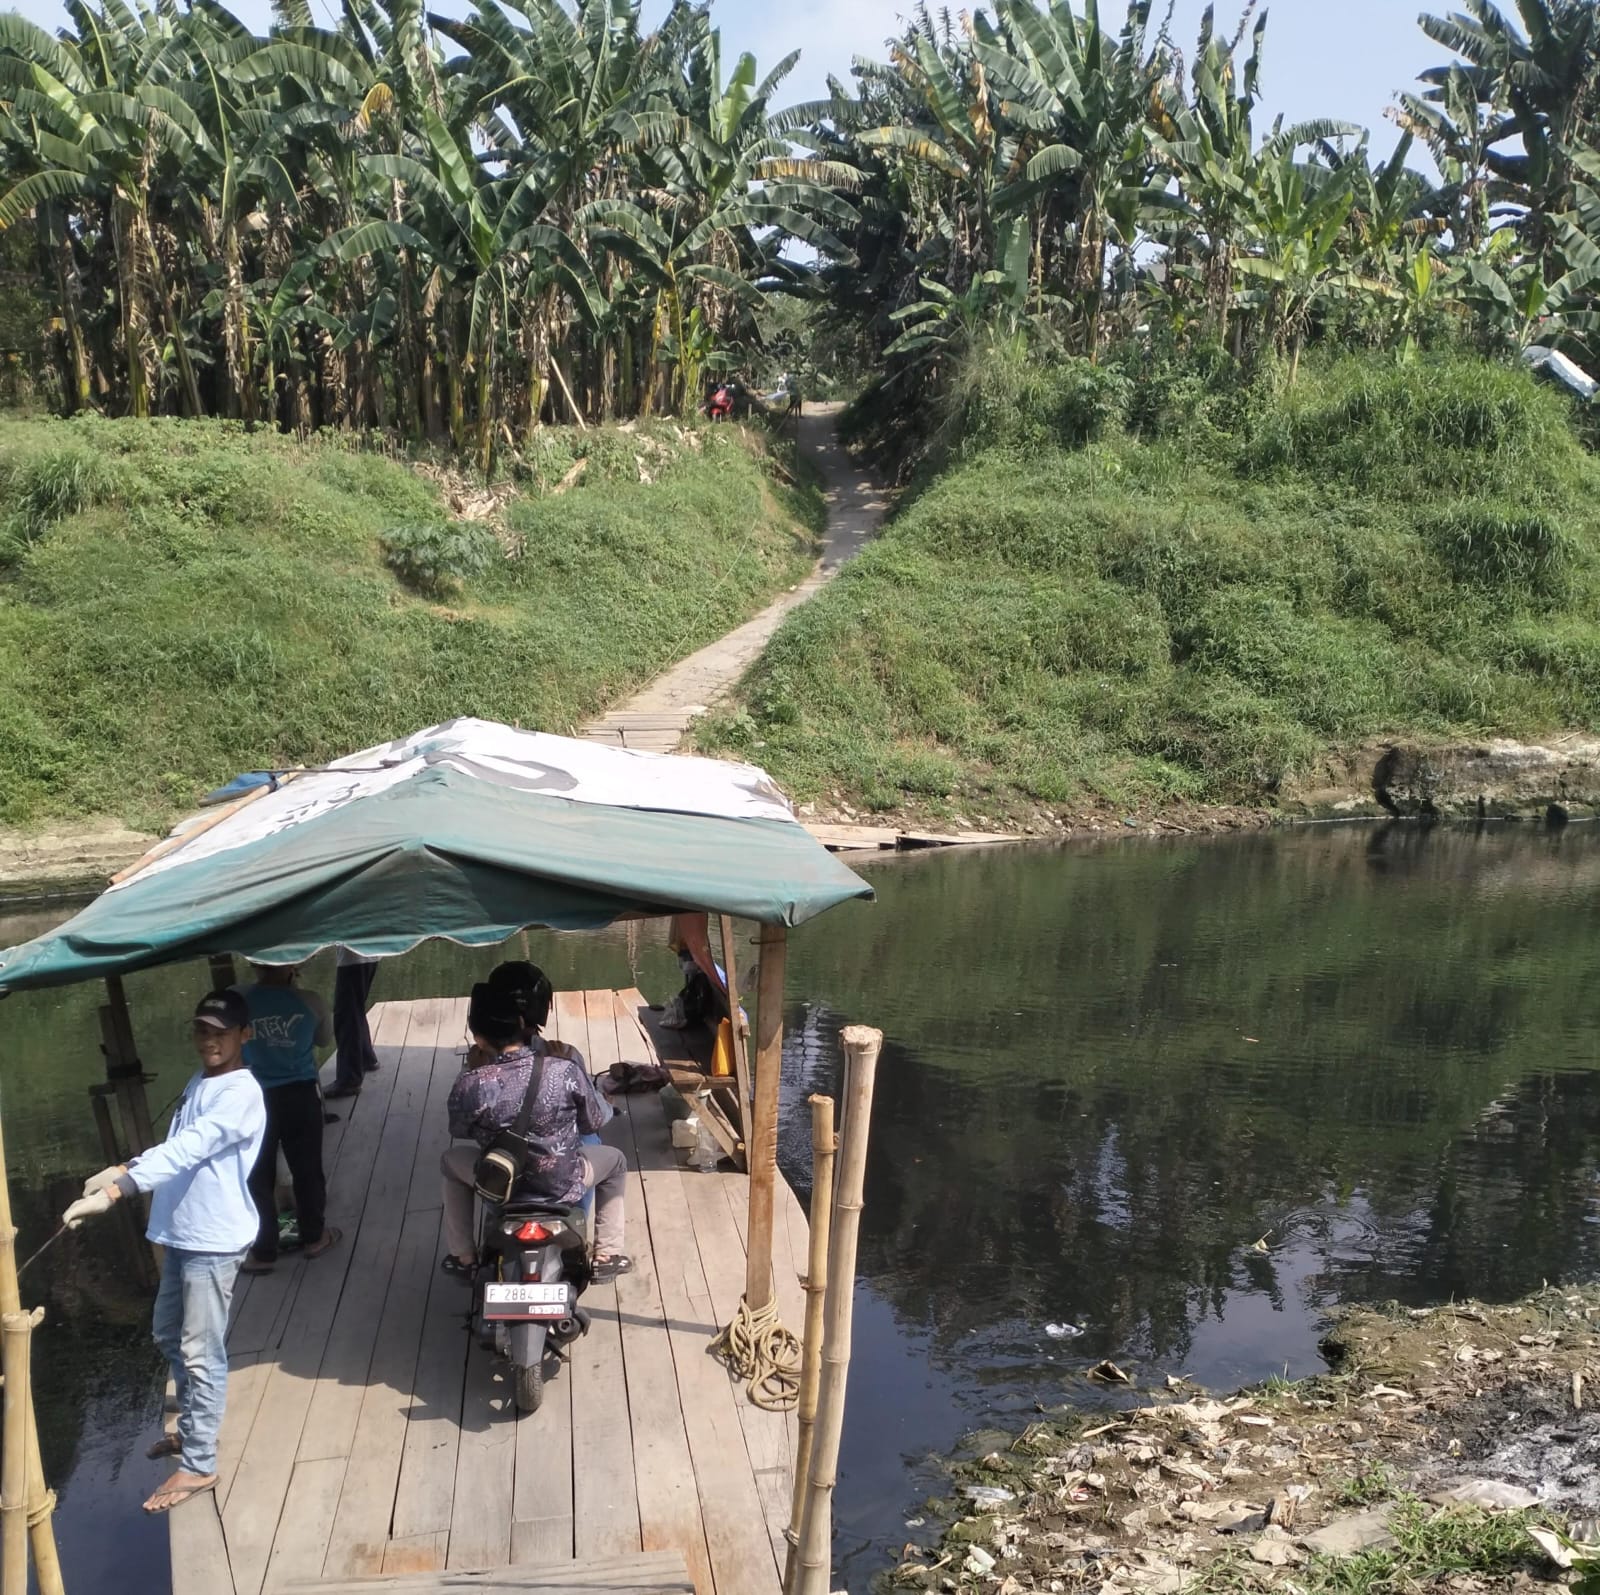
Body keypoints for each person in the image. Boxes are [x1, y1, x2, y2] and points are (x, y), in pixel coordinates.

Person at [62, 991, 266, 1514]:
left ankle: (199, 1464)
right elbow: (175, 1140)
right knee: (166, 1334)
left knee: (201, 1352)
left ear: (245, 1034)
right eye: (202, 1030)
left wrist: (116, 1192)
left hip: (213, 1240)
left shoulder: (241, 1092)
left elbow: (190, 1148)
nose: (209, 1040)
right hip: (181, 1233)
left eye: (220, 1031)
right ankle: (196, 1429)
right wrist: (126, 1166)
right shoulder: (201, 1081)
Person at [440, 982, 631, 1282]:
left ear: (477, 1037)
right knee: (616, 1161)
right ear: (521, 1024)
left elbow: (459, 1129)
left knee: (450, 1161)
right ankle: (606, 1254)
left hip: (499, 1187)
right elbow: (592, 1123)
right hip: (562, 1186)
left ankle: (464, 1256)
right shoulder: (563, 1069)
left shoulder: (470, 1084)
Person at [237, 963, 340, 1272]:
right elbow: (324, 1040)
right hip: (299, 1094)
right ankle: (314, 1237)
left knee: (257, 1174)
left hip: (253, 1096)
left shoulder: (238, 998)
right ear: (294, 965)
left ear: (254, 963)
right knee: (307, 1169)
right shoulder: (311, 1001)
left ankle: (263, 1250)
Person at [326, 948, 380, 1099]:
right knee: (354, 1009)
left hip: (353, 957)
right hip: (367, 954)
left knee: (346, 1016)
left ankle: (349, 1080)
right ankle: (366, 1058)